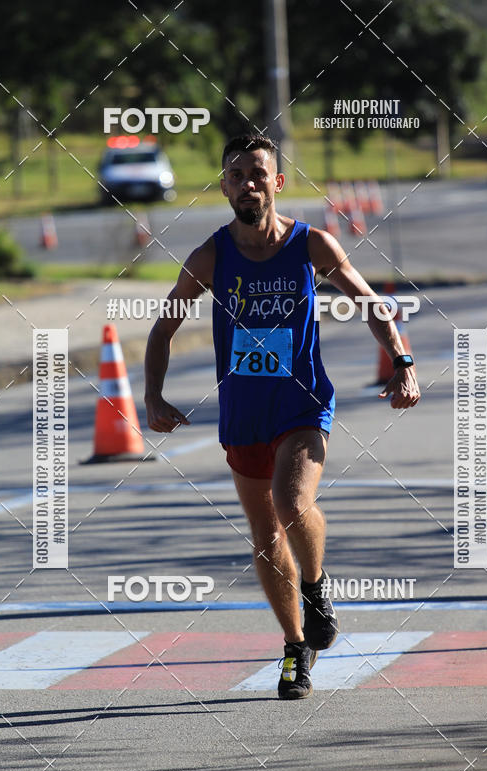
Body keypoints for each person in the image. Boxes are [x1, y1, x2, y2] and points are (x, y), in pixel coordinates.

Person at [144, 133, 420, 700]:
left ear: (278, 182)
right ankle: (296, 648)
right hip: (243, 414)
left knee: (292, 504)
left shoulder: (311, 244)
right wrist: (153, 396)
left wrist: (403, 361)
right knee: (265, 534)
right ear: (223, 186)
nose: (248, 182)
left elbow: (370, 302)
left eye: (258, 173)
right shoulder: (210, 256)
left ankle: (316, 589)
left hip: (303, 406)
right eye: (237, 173)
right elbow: (163, 327)